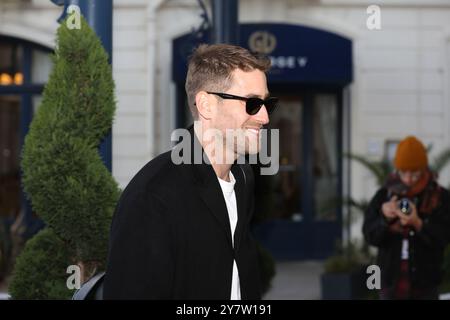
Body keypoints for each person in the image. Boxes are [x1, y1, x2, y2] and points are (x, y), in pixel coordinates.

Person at [103, 44, 278, 299]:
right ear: (206, 105)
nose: (264, 117)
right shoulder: (153, 195)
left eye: (266, 103)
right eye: (252, 103)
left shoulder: (242, 178)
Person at [363, 136, 450, 300]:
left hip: (426, 285)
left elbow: (444, 237)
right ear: (397, 170)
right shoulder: (384, 195)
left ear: (424, 169)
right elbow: (370, 236)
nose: (409, 178)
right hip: (391, 284)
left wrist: (418, 224)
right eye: (404, 172)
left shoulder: (440, 197)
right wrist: (384, 219)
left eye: (415, 173)